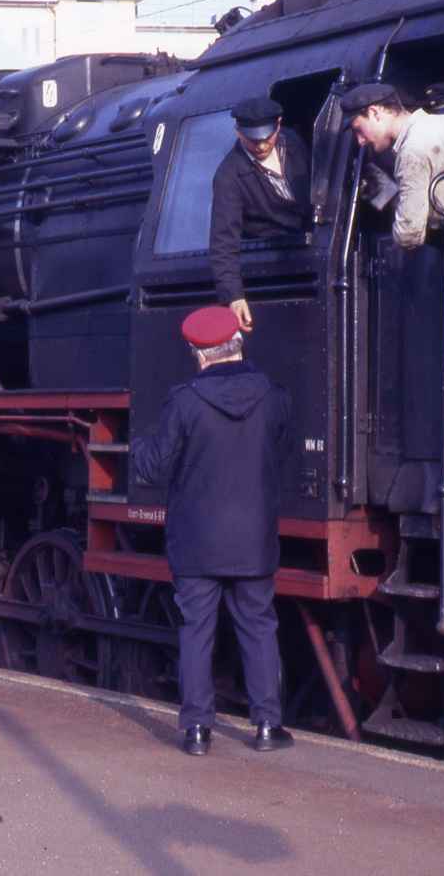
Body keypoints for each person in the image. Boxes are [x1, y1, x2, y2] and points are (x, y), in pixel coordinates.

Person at [129, 304, 294, 756]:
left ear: (200, 355)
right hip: (254, 539)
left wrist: (137, 445)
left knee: (196, 629)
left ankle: (198, 732)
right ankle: (266, 727)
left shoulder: (183, 401)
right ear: (237, 345)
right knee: (259, 626)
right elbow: (278, 455)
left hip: (197, 541)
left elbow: (155, 468)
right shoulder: (274, 396)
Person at [208, 96, 310, 332]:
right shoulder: (228, 176)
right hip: (278, 262)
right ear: (237, 131)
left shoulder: (293, 143)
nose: (262, 146)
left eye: (268, 137)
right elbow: (223, 241)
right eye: (253, 140)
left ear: (279, 124)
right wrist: (234, 296)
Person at [341, 82, 444, 249]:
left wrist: (387, 196)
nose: (360, 141)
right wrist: (389, 194)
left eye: (359, 129)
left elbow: (409, 236)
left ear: (374, 113)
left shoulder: (411, 151)